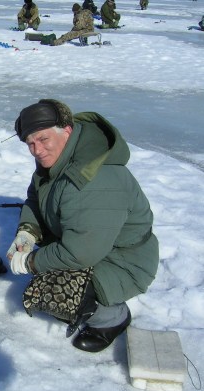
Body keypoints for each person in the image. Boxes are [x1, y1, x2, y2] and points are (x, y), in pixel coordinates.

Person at [8, 99, 158, 352]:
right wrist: (28, 231)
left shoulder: (94, 179)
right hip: (88, 242)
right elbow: (36, 195)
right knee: (46, 276)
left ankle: (112, 317)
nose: (37, 150)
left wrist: (31, 262)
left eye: (43, 140)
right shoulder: (59, 157)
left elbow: (80, 252)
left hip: (122, 260)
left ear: (66, 130)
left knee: (50, 292)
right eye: (30, 144)